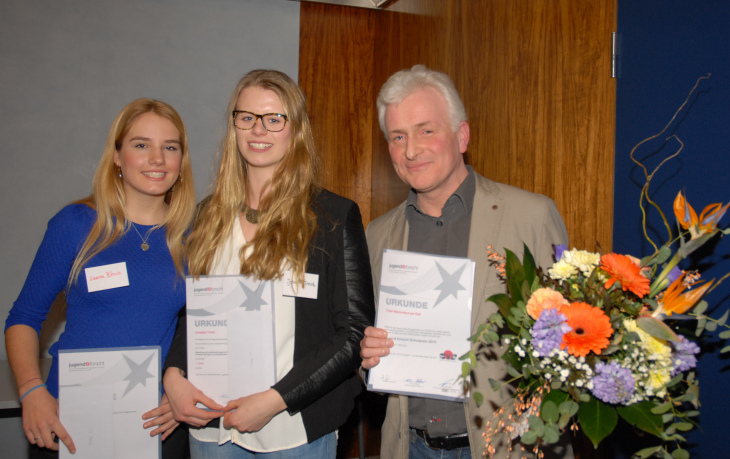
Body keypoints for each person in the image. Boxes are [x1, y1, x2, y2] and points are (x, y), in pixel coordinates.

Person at [359, 65, 571, 458]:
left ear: (462, 136)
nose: (411, 150)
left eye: (426, 130)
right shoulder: (377, 235)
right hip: (409, 446)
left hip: (506, 447)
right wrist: (367, 356)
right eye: (397, 136)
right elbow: (365, 348)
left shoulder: (530, 216)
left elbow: (571, 342)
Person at [162, 69, 375, 458]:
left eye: (274, 119)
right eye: (247, 118)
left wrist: (275, 399)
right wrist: (173, 374)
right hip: (211, 429)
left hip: (292, 430)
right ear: (234, 126)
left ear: (296, 129)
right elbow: (189, 313)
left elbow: (353, 334)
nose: (258, 130)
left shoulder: (331, 217)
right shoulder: (206, 216)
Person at [4, 98, 196, 458]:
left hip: (156, 424)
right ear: (117, 157)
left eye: (170, 148)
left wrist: (183, 389)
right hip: (68, 419)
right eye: (141, 145)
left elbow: (201, 331)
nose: (157, 158)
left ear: (181, 163)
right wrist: (31, 392)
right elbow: (23, 318)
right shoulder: (77, 224)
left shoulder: (195, 238)